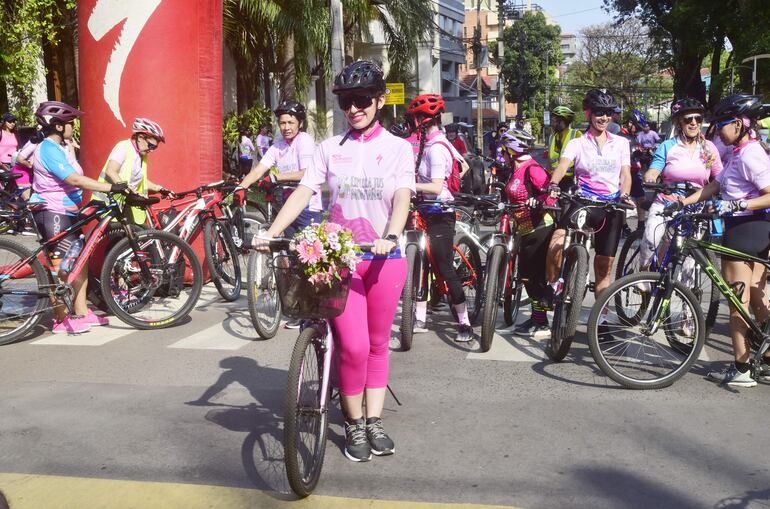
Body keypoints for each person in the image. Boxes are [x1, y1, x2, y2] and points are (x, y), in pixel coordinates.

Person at [255, 60, 414, 461]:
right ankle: (353, 421)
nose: (354, 108)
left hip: (385, 258)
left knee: (378, 345)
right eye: (346, 101)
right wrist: (272, 232)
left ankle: (372, 421)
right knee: (355, 347)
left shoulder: (397, 149)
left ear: (379, 100)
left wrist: (391, 236)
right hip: (341, 260)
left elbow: (402, 198)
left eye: (361, 99)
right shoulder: (329, 149)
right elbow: (303, 192)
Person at [680, 93, 770, 387]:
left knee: (736, 303)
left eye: (723, 123)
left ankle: (741, 369)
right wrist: (686, 202)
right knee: (757, 298)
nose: (718, 128)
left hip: (745, 230)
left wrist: (738, 205)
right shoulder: (738, 152)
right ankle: (767, 358)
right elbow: (717, 185)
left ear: (742, 123)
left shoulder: (752, 155)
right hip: (750, 228)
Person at [29, 101, 127, 334]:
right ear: (58, 126)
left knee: (78, 262)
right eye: (71, 123)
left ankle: (82, 311)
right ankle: (60, 318)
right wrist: (108, 188)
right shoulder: (47, 148)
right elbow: (73, 179)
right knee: (60, 267)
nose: (74, 126)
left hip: (69, 212)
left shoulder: (62, 147)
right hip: (53, 212)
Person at [236, 100, 322, 329]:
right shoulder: (277, 146)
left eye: (290, 122)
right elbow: (259, 169)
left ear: (300, 123)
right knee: (293, 258)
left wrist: (277, 178)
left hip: (309, 207)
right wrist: (241, 187)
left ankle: (315, 307)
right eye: (282, 122)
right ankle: (300, 308)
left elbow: (307, 172)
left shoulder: (305, 141)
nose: (286, 127)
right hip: (288, 208)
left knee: (310, 257)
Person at [640, 98, 722, 336]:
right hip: (666, 203)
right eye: (689, 119)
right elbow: (655, 168)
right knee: (651, 241)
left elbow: (719, 177)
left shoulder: (709, 149)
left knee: (690, 269)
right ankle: (644, 278)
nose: (695, 123)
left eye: (698, 119)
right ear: (679, 122)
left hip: (694, 209)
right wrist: (652, 177)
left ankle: (688, 317)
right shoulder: (668, 146)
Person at [547, 89, 632, 302]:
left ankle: (600, 321)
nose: (604, 118)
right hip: (582, 202)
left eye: (608, 113)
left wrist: (625, 194)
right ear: (588, 114)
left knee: (604, 268)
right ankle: (554, 286)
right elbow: (563, 165)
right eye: (598, 113)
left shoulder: (621, 143)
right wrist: (554, 183)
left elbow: (626, 175)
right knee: (556, 243)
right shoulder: (577, 143)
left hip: (611, 206)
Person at [407, 93, 474, 343]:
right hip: (423, 209)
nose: (412, 121)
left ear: (424, 119)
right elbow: (463, 166)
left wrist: (409, 184)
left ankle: (464, 321)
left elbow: (436, 187)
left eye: (415, 117)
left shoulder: (436, 148)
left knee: (444, 267)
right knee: (421, 261)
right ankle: (420, 317)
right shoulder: (432, 142)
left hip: (440, 211)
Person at [497, 129, 557, 338]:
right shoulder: (517, 168)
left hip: (539, 228)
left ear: (510, 150)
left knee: (533, 277)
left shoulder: (533, 169)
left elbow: (552, 194)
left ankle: (542, 321)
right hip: (524, 229)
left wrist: (538, 201)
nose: (500, 155)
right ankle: (537, 318)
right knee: (528, 277)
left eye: (502, 150)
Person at [94, 118, 170, 225]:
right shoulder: (123, 147)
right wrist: (126, 188)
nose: (152, 150)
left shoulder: (141, 155)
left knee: (133, 236)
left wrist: (159, 188)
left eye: (155, 147)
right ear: (140, 137)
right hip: (109, 203)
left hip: (123, 203)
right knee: (120, 238)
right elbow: (111, 171)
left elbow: (140, 181)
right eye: (151, 145)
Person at [545, 105, 582, 191]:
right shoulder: (552, 137)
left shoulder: (576, 135)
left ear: (562, 122)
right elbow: (549, 161)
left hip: (570, 181)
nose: (552, 124)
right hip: (553, 179)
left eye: (554, 121)